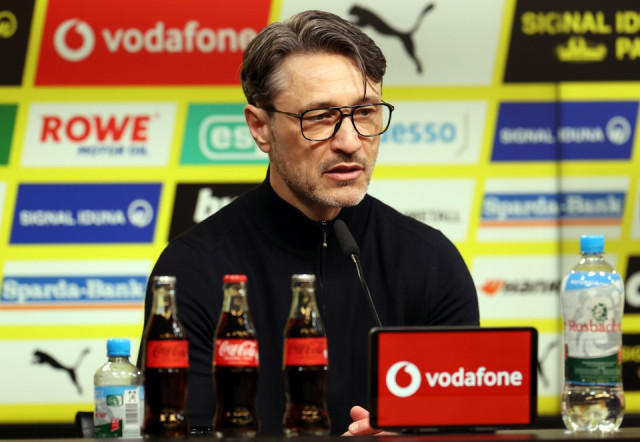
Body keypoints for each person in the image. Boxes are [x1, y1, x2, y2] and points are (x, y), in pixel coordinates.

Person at [140, 9, 479, 436]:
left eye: (366, 112)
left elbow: (468, 426)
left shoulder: (430, 261)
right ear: (260, 128)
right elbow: (178, 431)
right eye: (320, 117)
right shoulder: (192, 268)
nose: (350, 141)